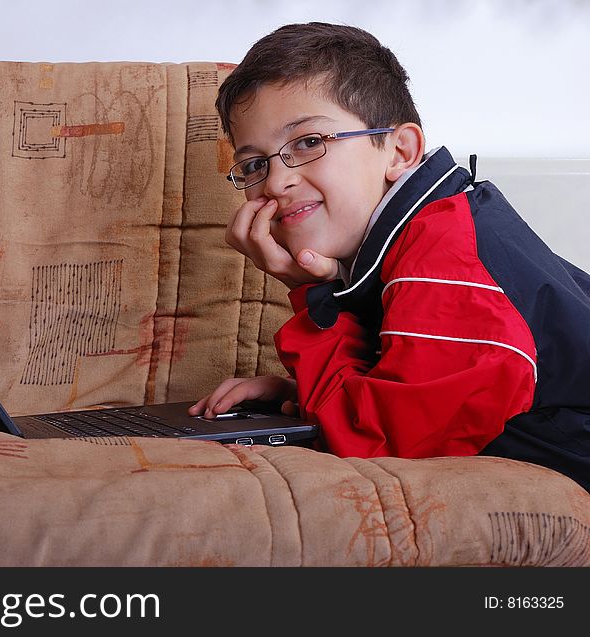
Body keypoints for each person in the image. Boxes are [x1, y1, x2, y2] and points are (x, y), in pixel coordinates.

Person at [188, 22, 590, 490]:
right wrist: (306, 395)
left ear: (400, 151)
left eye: (309, 142)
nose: (276, 182)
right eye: (256, 164)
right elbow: (427, 398)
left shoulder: (447, 263)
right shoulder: (421, 237)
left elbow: (378, 450)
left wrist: (309, 294)